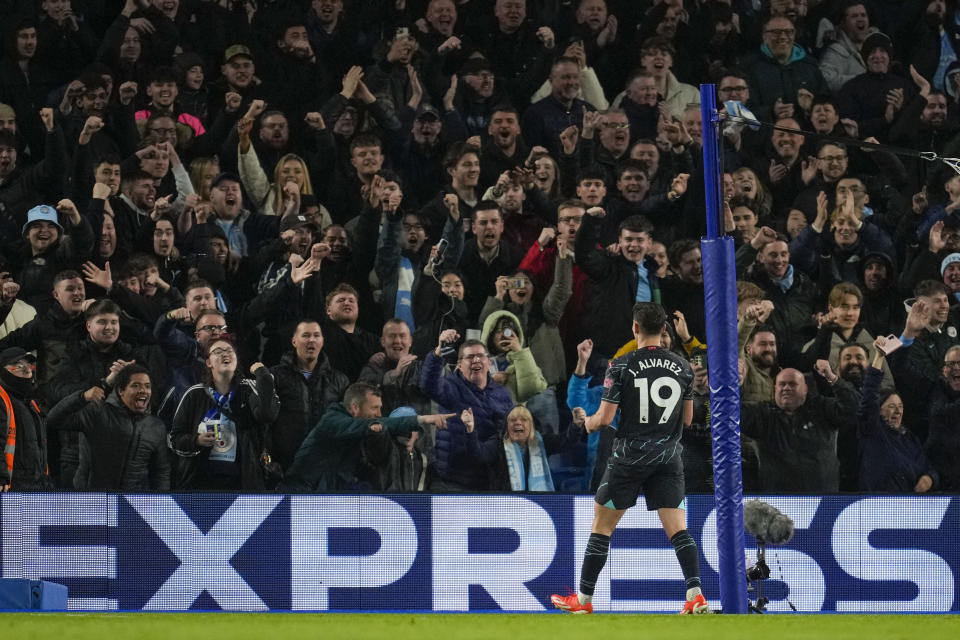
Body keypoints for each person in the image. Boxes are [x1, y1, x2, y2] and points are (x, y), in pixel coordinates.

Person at [551, 303, 708, 615]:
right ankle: (695, 595)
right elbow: (688, 420)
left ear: (635, 328)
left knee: (602, 527)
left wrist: (588, 422)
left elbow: (606, 418)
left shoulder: (621, 366)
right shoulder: (685, 368)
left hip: (629, 458)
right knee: (678, 530)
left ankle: (583, 601)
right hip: (668, 458)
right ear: (665, 329)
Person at [281, 382, 452, 492]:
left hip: (324, 495)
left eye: (380, 408)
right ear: (355, 407)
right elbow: (375, 425)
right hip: (298, 493)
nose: (379, 414)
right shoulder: (333, 421)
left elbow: (389, 428)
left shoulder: (359, 425)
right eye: (374, 408)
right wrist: (422, 419)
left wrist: (415, 432)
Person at [170, 336, 279, 490]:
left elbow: (267, 415)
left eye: (229, 351)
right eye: (218, 351)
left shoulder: (249, 391)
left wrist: (263, 375)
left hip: (243, 483)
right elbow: (174, 439)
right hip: (201, 484)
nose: (225, 354)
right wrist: (196, 440)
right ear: (208, 362)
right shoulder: (194, 394)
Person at [46, 364, 169, 490]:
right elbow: (54, 420)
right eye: (135, 385)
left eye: (147, 386)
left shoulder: (156, 426)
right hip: (93, 500)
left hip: (132, 501)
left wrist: (158, 503)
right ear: (121, 391)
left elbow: (161, 472)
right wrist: (81, 397)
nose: (143, 390)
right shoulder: (98, 412)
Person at [858, 336, 938, 492]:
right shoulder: (873, 431)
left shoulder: (909, 438)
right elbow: (869, 397)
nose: (898, 411)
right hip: (878, 506)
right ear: (879, 410)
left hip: (908, 507)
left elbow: (927, 467)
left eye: (900, 406)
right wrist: (879, 357)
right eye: (891, 406)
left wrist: (930, 478)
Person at [465, 403, 583, 491]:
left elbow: (567, 441)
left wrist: (576, 425)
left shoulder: (540, 442)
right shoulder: (498, 443)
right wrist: (470, 431)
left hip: (537, 505)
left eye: (524, 419)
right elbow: (479, 454)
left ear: (531, 425)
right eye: (513, 420)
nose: (518, 423)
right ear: (507, 426)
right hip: (505, 504)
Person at [0, 347, 49, 491]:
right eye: (19, 366)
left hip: (35, 486)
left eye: (29, 366)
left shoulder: (31, 403)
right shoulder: (3, 399)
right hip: (10, 487)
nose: (28, 371)